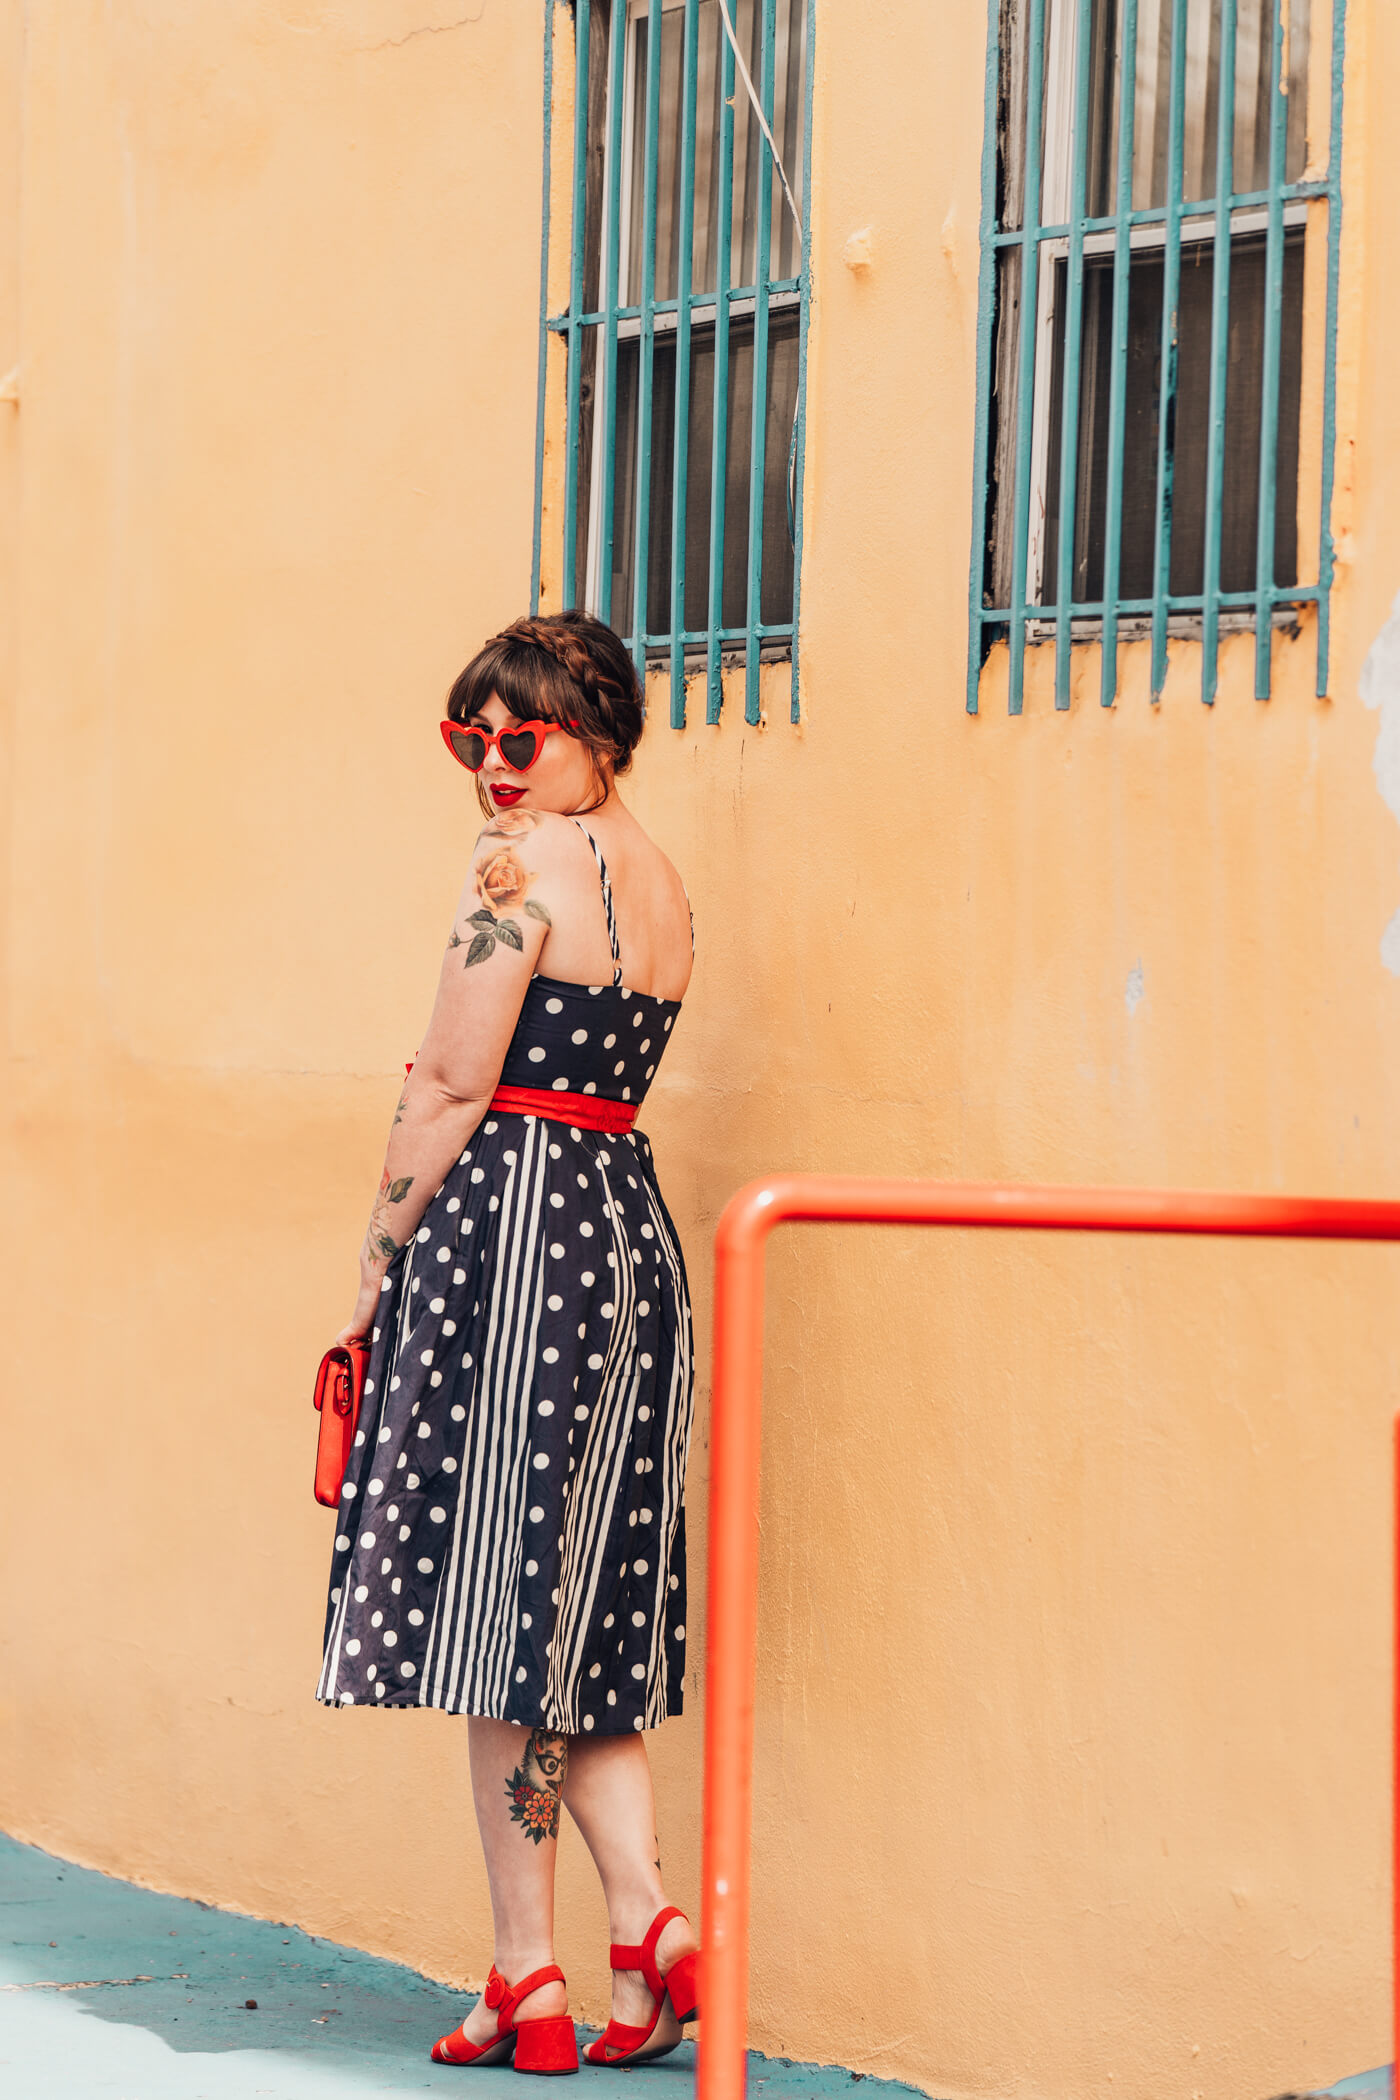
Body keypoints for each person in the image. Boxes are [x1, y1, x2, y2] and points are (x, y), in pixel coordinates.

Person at [316, 611, 700, 2073]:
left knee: (495, 1608)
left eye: (519, 736)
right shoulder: (663, 882)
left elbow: (451, 1085)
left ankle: (529, 1975)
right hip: (624, 1227)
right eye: (466, 735)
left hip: (513, 1232)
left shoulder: (518, 867)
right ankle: (649, 1931)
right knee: (581, 1605)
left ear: (595, 732)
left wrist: (371, 1275)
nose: (490, 762)